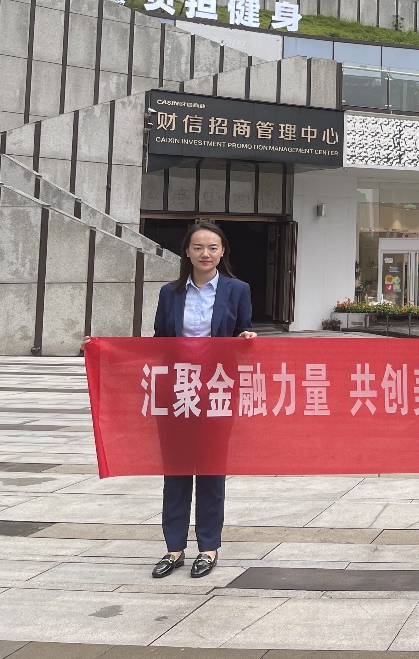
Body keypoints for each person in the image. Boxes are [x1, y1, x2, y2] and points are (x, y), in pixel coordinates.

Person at [150, 221, 256, 580]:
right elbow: (160, 340)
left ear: (222, 252)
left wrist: (247, 337)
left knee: (211, 470)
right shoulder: (169, 293)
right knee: (176, 470)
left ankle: (208, 547)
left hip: (217, 390)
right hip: (178, 391)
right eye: (198, 247)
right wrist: (102, 348)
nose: (205, 253)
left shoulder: (237, 290)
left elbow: (243, 330)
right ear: (187, 252)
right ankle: (174, 548)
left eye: (212, 247)